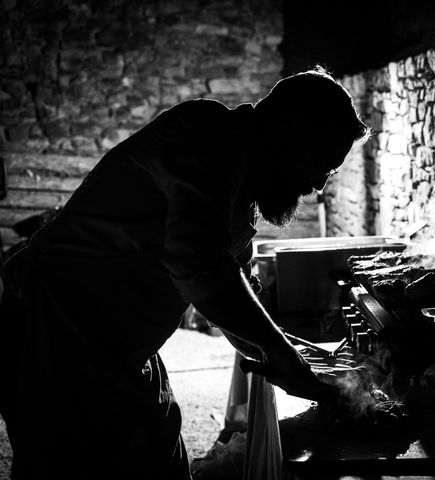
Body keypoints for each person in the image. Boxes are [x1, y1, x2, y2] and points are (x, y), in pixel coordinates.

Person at [0, 66, 370, 480]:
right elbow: (199, 269)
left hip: (119, 339)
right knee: (71, 463)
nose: (319, 185)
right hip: (54, 326)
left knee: (159, 455)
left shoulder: (240, 180)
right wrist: (286, 358)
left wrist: (291, 353)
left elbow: (227, 282)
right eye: (321, 164)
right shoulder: (209, 135)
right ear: (286, 131)